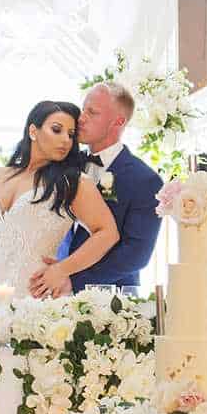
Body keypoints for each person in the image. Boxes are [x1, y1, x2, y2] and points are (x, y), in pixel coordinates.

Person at [0, 100, 119, 297]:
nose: (66, 139)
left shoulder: (74, 183)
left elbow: (108, 233)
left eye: (71, 134)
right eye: (57, 130)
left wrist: (62, 269)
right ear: (33, 131)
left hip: (34, 302)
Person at [51, 81, 162, 295]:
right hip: (52, 294)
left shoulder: (145, 180)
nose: (81, 117)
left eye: (92, 112)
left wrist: (73, 281)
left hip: (111, 302)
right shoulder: (64, 166)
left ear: (118, 121)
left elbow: (136, 253)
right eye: (83, 109)